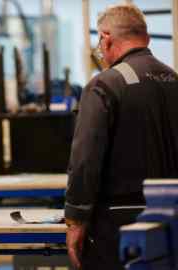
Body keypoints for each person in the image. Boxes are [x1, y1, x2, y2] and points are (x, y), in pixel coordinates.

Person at [65, 4, 178, 270]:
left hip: (120, 226)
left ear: (105, 38)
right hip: (173, 218)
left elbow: (85, 160)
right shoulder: (174, 80)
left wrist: (76, 219)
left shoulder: (104, 84)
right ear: (146, 38)